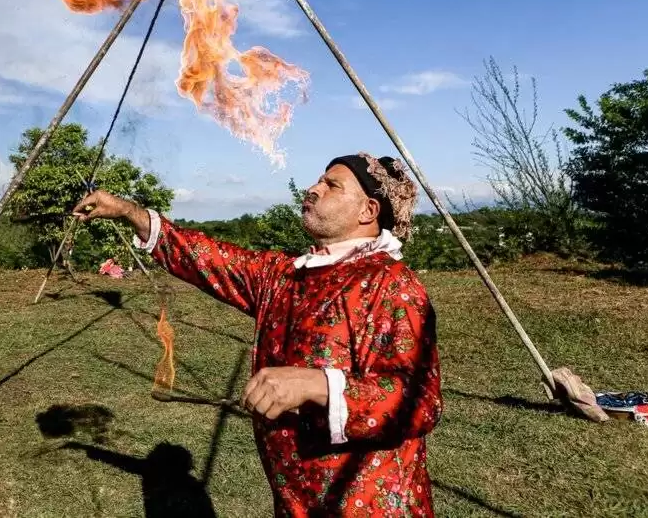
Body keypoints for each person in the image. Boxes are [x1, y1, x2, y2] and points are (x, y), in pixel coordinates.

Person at [73, 152, 444, 517]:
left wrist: (318, 385)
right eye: (319, 179)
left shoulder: (391, 285)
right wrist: (128, 212)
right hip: (294, 500)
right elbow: (207, 258)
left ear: (368, 212)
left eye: (331, 185)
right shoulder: (283, 276)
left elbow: (421, 402)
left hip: (367, 504)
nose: (313, 189)